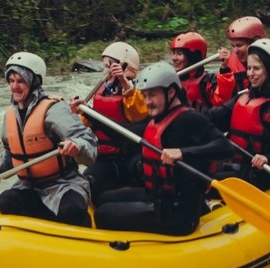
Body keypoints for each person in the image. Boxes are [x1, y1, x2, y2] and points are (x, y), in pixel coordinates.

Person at [93, 62, 237, 236]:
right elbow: (126, 135)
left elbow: (226, 147)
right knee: (101, 200)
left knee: (103, 215)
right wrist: (89, 114)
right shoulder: (156, 118)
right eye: (145, 96)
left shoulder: (189, 119)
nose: (148, 102)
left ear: (171, 92)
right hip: (155, 196)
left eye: (152, 95)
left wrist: (183, 153)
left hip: (177, 212)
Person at [0, 51, 98, 225]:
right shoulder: (10, 114)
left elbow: (86, 140)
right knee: (6, 200)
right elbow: (9, 152)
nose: (15, 87)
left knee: (72, 209)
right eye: (11, 81)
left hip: (63, 184)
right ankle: (50, 224)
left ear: (34, 81)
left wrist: (76, 146)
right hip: (29, 187)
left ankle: (76, 225)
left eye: (20, 81)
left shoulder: (54, 109)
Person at [207, 38, 270, 186]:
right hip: (232, 167)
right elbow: (215, 117)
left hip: (260, 174)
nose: (250, 74)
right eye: (249, 68)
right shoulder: (243, 97)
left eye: (256, 69)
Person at [69, 42, 148, 201]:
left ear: (124, 66)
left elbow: (139, 114)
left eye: (108, 66)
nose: (105, 71)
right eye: (104, 66)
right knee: (89, 181)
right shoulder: (102, 92)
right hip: (107, 160)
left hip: (132, 158)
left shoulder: (138, 91)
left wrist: (124, 81)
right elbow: (85, 125)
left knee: (143, 170)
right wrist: (78, 113)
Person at [212, 16, 266, 106]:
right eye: (233, 46)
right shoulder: (229, 67)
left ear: (255, 43)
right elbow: (221, 102)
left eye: (239, 45)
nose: (235, 51)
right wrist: (225, 69)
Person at [170, 31, 218, 110]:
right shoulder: (170, 81)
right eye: (174, 53)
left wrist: (225, 70)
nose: (174, 58)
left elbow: (221, 101)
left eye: (179, 54)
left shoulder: (207, 81)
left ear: (193, 57)